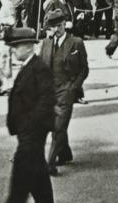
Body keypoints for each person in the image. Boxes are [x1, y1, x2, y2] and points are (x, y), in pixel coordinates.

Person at [0, 26, 56, 203]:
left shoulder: (39, 68)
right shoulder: (30, 67)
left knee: (22, 166)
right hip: (28, 127)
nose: (13, 50)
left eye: (16, 47)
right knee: (36, 164)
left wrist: (29, 124)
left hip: (33, 128)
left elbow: (46, 100)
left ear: (29, 46)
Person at [37, 11, 89, 174]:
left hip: (66, 90)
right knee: (56, 125)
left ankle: (50, 164)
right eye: (53, 27)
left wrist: (73, 87)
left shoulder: (76, 42)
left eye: (59, 25)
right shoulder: (45, 43)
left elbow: (84, 69)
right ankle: (65, 153)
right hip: (48, 91)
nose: (57, 29)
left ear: (65, 24)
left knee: (58, 127)